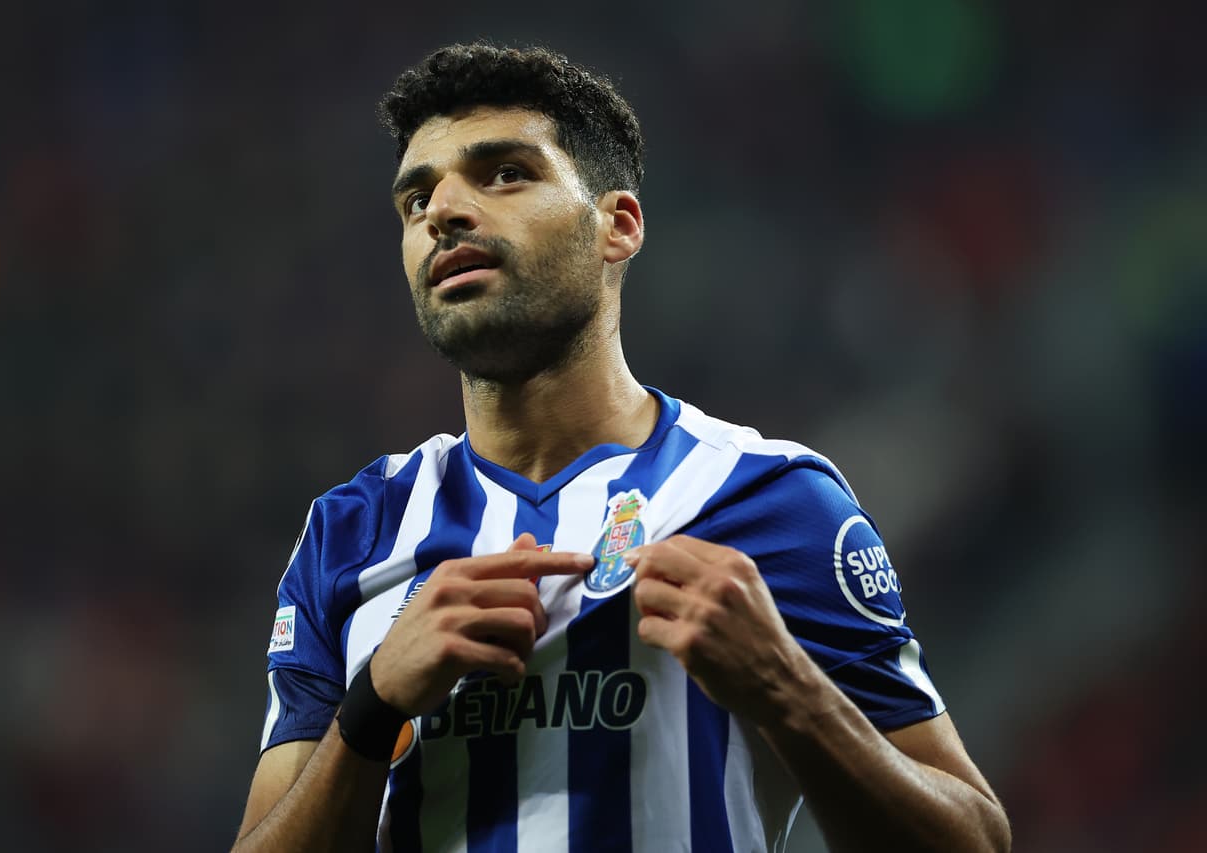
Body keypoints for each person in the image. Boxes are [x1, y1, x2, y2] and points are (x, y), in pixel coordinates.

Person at [232, 43, 1012, 853]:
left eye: (505, 174)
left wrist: (789, 689)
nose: (444, 211)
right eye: (417, 198)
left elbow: (975, 840)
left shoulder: (771, 499)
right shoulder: (351, 531)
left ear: (618, 224)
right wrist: (373, 705)